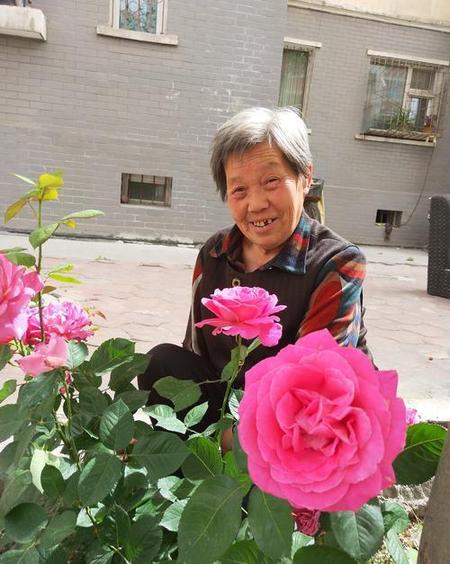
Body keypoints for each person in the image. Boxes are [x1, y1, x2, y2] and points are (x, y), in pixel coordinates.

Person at [138, 106, 369, 430]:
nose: (256, 204)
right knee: (161, 363)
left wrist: (232, 443)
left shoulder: (337, 262)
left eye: (271, 181)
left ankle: (218, 454)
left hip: (300, 423)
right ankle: (199, 453)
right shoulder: (215, 254)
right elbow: (195, 354)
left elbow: (318, 385)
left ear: (305, 178)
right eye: (239, 190)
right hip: (226, 411)